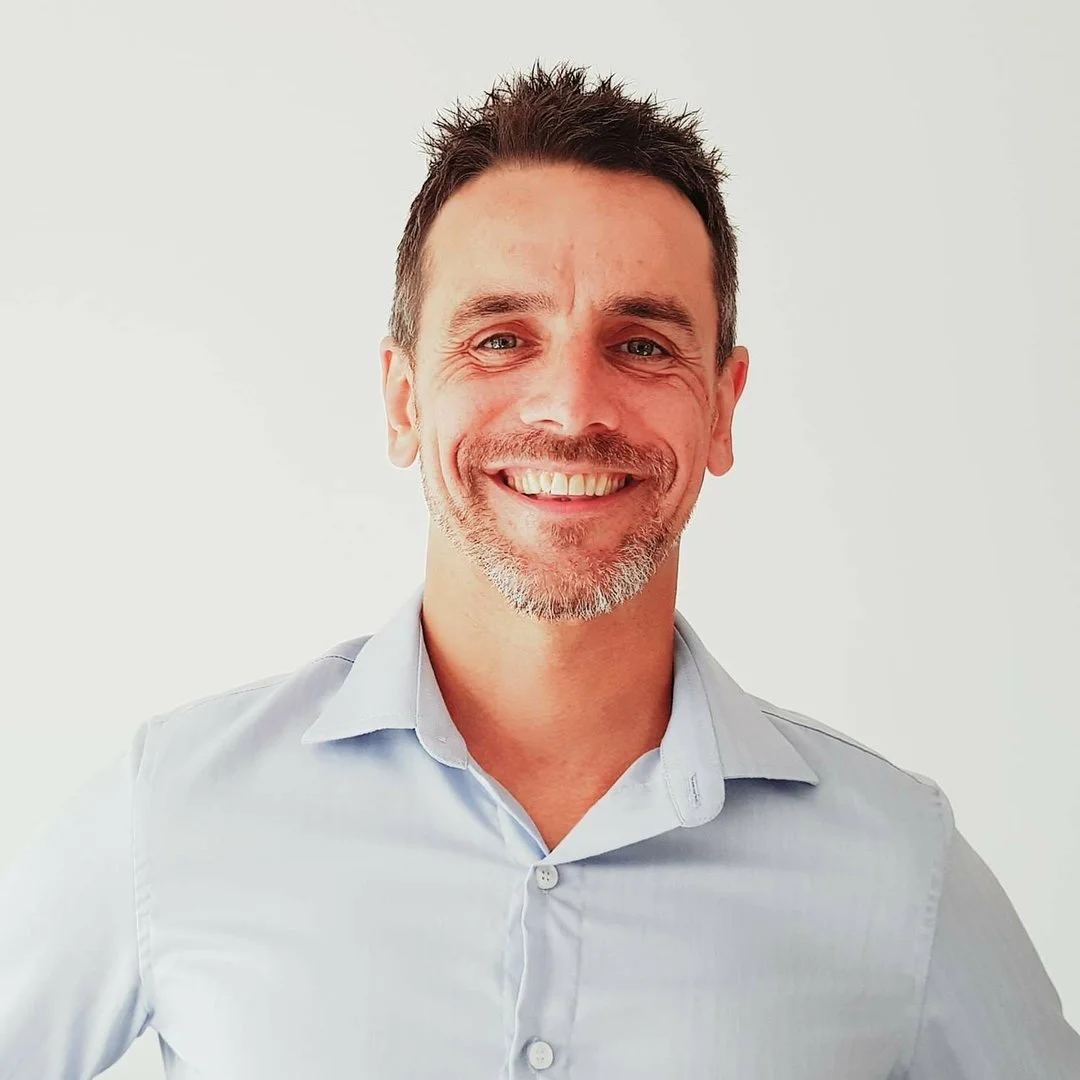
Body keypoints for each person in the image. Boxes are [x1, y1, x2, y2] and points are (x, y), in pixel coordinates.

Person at [1, 62, 1077, 1080]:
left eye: (644, 345)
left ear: (725, 405)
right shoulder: (177, 809)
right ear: (403, 399)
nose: (571, 409)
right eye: (501, 339)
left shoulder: (899, 868)